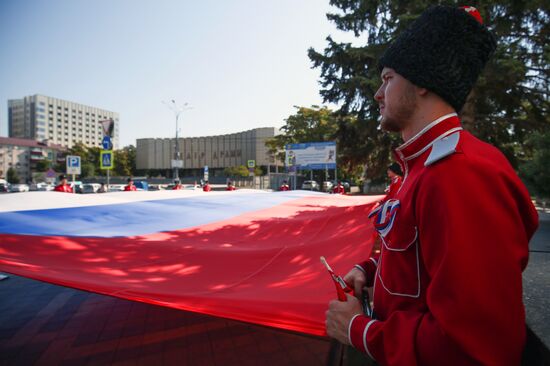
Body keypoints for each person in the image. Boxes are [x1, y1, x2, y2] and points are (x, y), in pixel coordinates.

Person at [324, 6, 539, 366]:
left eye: (388, 78)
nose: (378, 93)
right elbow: (420, 264)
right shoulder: (421, 168)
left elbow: (476, 348)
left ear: (422, 81)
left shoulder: (460, 174)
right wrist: (370, 271)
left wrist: (358, 331)